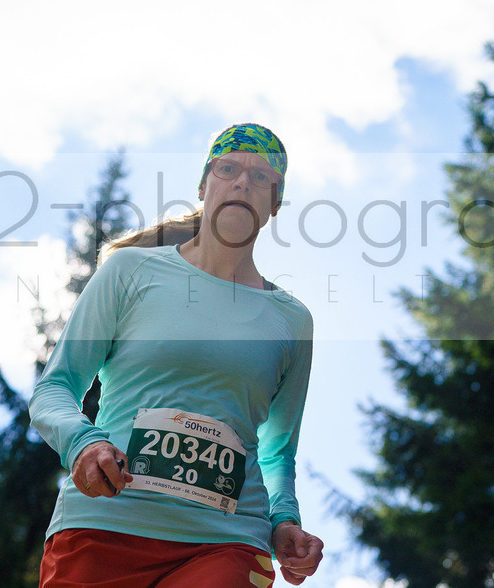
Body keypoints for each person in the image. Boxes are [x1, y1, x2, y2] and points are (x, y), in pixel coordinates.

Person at [29, 123, 324, 587]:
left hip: (228, 541)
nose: (242, 181)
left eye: (261, 177)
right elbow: (55, 388)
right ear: (205, 185)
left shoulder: (292, 321)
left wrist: (283, 521)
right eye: (228, 168)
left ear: (274, 204)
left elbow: (277, 450)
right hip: (106, 524)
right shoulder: (129, 271)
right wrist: (83, 442)